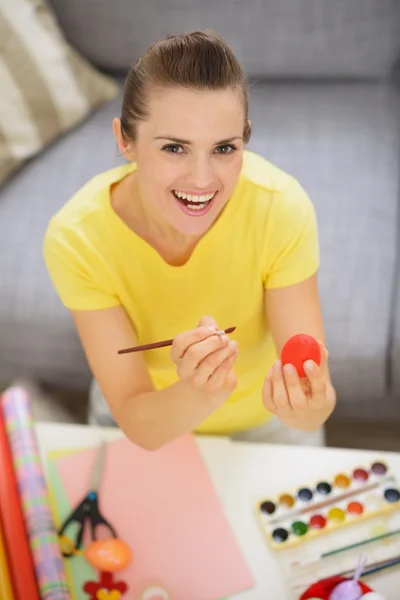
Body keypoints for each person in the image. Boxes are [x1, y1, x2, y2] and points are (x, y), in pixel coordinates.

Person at [43, 30, 336, 450]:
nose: (202, 180)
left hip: (265, 423)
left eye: (223, 148)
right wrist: (200, 393)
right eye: (174, 148)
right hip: (151, 415)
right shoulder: (76, 238)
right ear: (125, 140)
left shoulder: (281, 207)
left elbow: (313, 410)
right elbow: (138, 421)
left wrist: (307, 406)